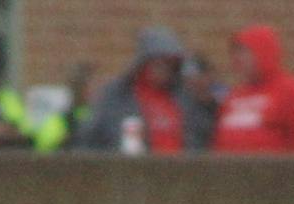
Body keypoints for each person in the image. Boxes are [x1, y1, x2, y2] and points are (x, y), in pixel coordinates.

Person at [75, 28, 216, 154]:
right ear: (144, 62)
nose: (164, 69)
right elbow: (90, 138)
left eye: (171, 63)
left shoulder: (185, 97)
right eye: (159, 62)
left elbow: (204, 137)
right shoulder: (117, 96)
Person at [211, 26, 294, 154]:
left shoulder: (292, 92)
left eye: (245, 52)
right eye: (236, 53)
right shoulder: (234, 96)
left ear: (263, 52)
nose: (238, 59)